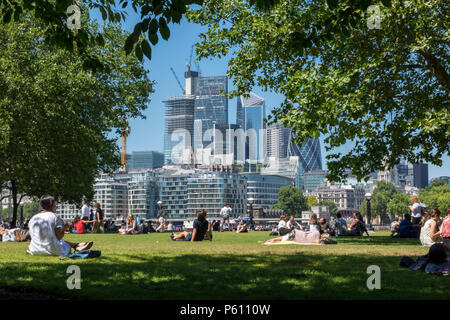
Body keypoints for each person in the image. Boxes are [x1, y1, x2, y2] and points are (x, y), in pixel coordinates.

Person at [28, 195, 93, 256]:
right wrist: (64, 228)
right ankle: (75, 245)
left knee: (56, 241)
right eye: (55, 204)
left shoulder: (33, 218)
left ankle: (76, 245)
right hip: (53, 251)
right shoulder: (54, 216)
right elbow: (59, 237)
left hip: (34, 250)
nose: (56, 206)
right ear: (51, 205)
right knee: (64, 244)